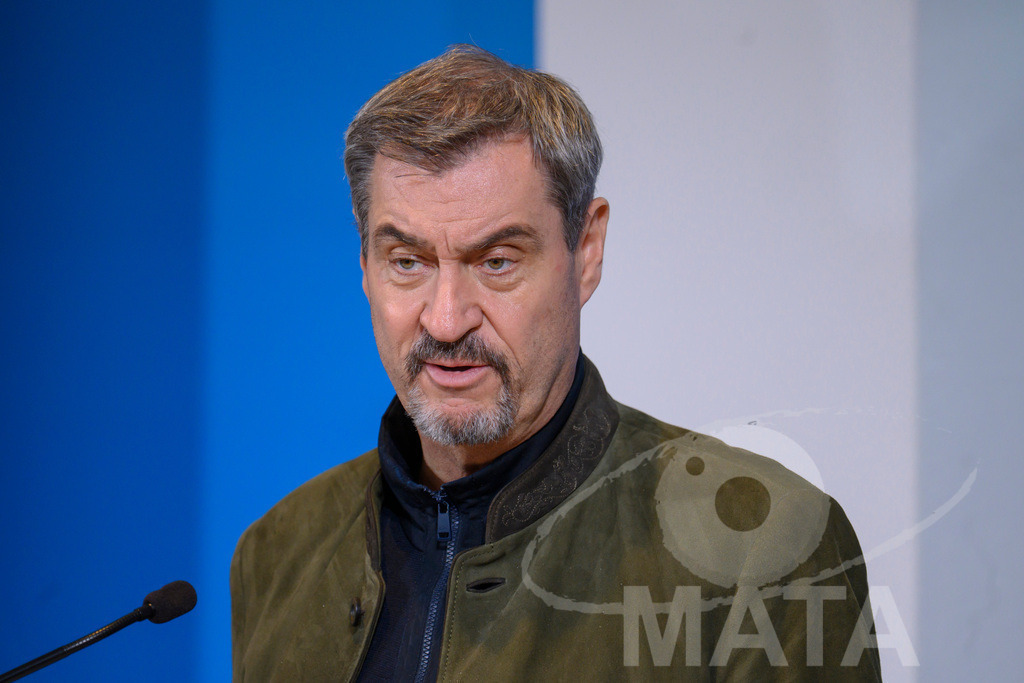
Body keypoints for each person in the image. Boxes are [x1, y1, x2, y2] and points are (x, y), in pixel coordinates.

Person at [230, 45, 882, 681]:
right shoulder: (278, 553)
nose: (446, 318)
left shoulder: (763, 550)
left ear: (587, 250)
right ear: (365, 266)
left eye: (498, 261)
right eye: (408, 261)